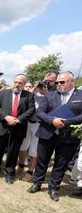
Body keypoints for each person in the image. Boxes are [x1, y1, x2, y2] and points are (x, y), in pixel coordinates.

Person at [27, 71, 82, 201]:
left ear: (71, 82)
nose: (58, 84)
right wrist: (52, 121)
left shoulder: (80, 95)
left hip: (68, 136)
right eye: (57, 82)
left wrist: (66, 122)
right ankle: (37, 183)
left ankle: (53, 188)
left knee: (61, 164)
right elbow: (40, 111)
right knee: (42, 160)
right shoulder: (50, 95)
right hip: (47, 133)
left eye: (62, 82)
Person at [0, 74, 35, 183]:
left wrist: (18, 120)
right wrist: (6, 117)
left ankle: (9, 173)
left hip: (18, 128)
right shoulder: (3, 93)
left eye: (20, 83)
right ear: (12, 82)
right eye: (16, 82)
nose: (17, 85)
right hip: (2, 126)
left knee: (13, 152)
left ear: (24, 84)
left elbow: (31, 110)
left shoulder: (29, 95)